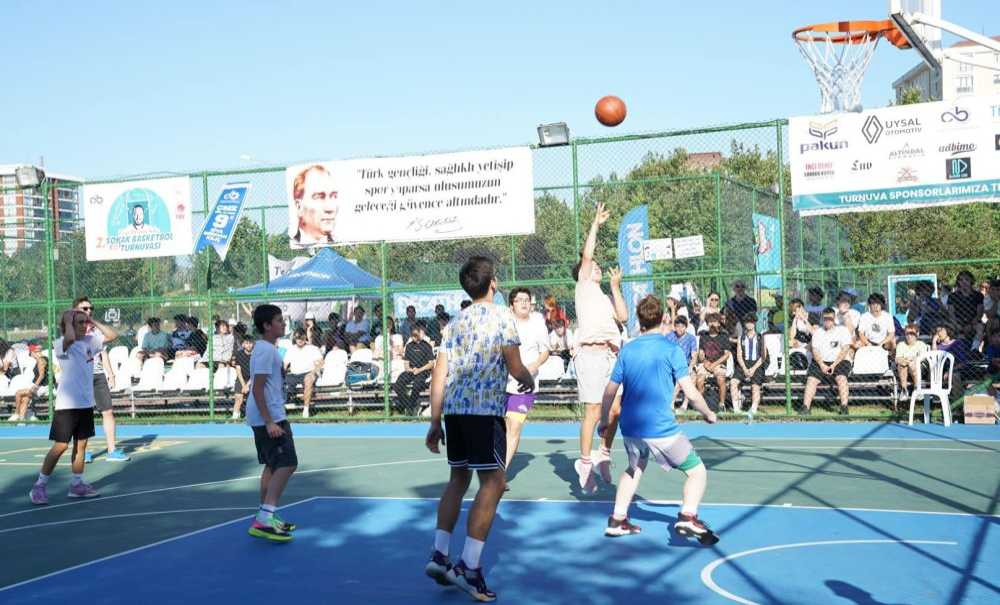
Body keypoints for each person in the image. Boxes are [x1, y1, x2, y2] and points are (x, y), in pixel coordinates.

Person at [424, 256, 533, 602]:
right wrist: (527, 378)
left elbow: (439, 375)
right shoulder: (503, 317)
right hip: (484, 413)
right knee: (495, 482)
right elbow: (515, 365)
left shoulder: (454, 323)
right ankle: (468, 567)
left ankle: (440, 554)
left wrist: (434, 421)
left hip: (454, 412)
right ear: (494, 284)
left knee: (458, 479)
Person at [599, 295, 719, 543]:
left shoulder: (628, 350)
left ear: (639, 319)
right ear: (664, 317)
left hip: (631, 427)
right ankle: (688, 516)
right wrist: (707, 413)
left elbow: (609, 392)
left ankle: (617, 520)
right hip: (660, 428)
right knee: (697, 471)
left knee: (634, 468)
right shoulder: (671, 349)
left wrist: (603, 421)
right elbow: (690, 391)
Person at [572, 202, 628, 492]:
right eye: (592, 265)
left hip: (609, 355)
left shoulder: (604, 296)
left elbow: (624, 317)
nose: (597, 267)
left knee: (616, 411)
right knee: (593, 411)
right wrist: (595, 223)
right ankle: (584, 462)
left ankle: (603, 454)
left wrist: (616, 287)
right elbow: (588, 253)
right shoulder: (583, 286)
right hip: (590, 355)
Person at [29, 310, 103, 505]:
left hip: (86, 404)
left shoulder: (90, 342)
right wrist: (69, 321)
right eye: (79, 322)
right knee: (61, 446)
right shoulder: (61, 344)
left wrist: (92, 321)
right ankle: (39, 486)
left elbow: (113, 335)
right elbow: (70, 336)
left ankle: (77, 485)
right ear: (67, 324)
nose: (83, 325)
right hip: (67, 406)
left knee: (81, 446)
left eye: (84, 322)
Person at [246, 304, 298, 542]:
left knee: (271, 465)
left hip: (267, 415)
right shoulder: (266, 350)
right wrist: (269, 422)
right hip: (269, 417)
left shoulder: (265, 348)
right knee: (287, 464)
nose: (283, 323)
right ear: (267, 326)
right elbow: (257, 389)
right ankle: (266, 517)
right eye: (278, 320)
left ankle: (264, 514)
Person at [74, 297, 129, 463]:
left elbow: (110, 340)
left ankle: (112, 450)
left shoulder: (95, 331)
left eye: (91, 308)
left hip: (98, 376)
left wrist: (110, 374)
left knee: (108, 411)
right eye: (84, 309)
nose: (89, 311)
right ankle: (83, 452)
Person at [504, 287, 550, 474]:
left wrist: (533, 366)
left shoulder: (538, 324)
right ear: (511, 305)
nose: (524, 303)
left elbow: (545, 351)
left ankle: (500, 474)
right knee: (503, 427)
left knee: (514, 426)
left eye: (526, 299)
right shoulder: (505, 324)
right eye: (519, 300)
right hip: (502, 382)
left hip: (525, 384)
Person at [802, 308, 852, 415]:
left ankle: (844, 407)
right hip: (821, 361)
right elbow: (815, 351)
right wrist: (822, 365)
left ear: (834, 319)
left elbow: (845, 349)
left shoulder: (842, 330)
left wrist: (833, 365)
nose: (827, 320)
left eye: (830, 318)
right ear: (822, 319)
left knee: (841, 378)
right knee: (811, 380)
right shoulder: (818, 333)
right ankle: (805, 407)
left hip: (840, 361)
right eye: (825, 318)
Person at [290, 164, 339, 248]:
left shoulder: (340, 246)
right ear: (299, 206)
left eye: (333, 196)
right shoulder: (293, 244)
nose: (330, 208)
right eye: (319, 197)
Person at [730, 314, 767, 420]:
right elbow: (739, 355)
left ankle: (753, 409)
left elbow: (763, 356)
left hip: (757, 364)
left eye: (751, 322)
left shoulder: (760, 337)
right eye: (747, 322)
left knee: (755, 386)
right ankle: (736, 409)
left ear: (755, 323)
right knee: (733, 382)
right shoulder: (741, 338)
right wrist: (745, 368)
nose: (749, 324)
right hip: (744, 364)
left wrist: (753, 368)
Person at [393, 321, 434, 414]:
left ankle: (410, 408)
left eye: (416, 334)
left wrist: (419, 370)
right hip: (411, 371)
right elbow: (406, 364)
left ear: (420, 333)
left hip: (423, 371)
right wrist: (410, 369)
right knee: (397, 385)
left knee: (417, 386)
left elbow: (431, 364)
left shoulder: (426, 346)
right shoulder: (409, 346)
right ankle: (410, 405)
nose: (414, 337)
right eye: (412, 335)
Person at [283, 329, 324, 418]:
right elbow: (285, 365)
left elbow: (321, 362)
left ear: (305, 337)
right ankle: (279, 408)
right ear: (295, 338)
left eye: (302, 337)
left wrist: (313, 372)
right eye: (298, 338)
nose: (300, 340)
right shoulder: (291, 350)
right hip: (294, 374)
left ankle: (306, 410)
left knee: (308, 379)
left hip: (308, 373)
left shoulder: (312, 348)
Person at [695, 313, 731, 410]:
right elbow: (701, 353)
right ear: (707, 323)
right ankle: (700, 405)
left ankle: (722, 404)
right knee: (700, 380)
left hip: (719, 364)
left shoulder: (724, 336)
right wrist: (705, 362)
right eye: (710, 322)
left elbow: (727, 354)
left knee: (720, 379)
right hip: (706, 364)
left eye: (715, 322)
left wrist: (715, 364)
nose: (712, 324)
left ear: (719, 323)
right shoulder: (703, 336)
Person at [664, 315, 697, 410]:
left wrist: (690, 367)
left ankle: (684, 404)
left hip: (685, 365)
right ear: (674, 327)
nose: (680, 329)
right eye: (677, 326)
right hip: (670, 365)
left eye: (682, 326)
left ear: (686, 327)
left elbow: (694, 356)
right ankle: (670, 404)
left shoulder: (691, 338)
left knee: (691, 377)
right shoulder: (669, 336)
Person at [948, 270, 985, 348]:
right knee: (948, 328)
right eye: (961, 280)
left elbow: (980, 314)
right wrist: (957, 325)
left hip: (973, 322)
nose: (964, 282)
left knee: (980, 327)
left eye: (967, 279)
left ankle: (974, 350)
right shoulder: (952, 296)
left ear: (971, 280)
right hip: (957, 322)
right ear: (958, 282)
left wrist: (971, 325)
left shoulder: (978, 295)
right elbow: (951, 313)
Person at [895, 324, 928, 406]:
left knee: (913, 365)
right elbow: (897, 359)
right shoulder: (901, 345)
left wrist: (909, 360)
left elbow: (921, 358)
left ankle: (918, 389)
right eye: (907, 334)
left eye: (912, 334)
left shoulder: (921, 344)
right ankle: (904, 390)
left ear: (917, 334)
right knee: (902, 365)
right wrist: (906, 361)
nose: (909, 336)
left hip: (919, 369)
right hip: (904, 368)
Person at [11, 346, 46, 422]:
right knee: (25, 399)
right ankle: (22, 420)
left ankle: (16, 413)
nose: (31, 354)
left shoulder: (40, 361)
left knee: (18, 393)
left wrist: (35, 386)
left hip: (42, 388)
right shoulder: (36, 361)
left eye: (32, 352)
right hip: (38, 387)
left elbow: (41, 376)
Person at [232, 336, 254, 419]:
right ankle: (235, 416)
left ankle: (250, 416)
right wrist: (243, 385)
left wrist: (247, 385)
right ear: (243, 344)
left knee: (252, 399)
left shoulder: (256, 355)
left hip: (253, 379)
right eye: (246, 343)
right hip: (241, 379)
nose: (248, 345)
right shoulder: (239, 354)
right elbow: (238, 370)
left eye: (250, 343)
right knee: (238, 398)